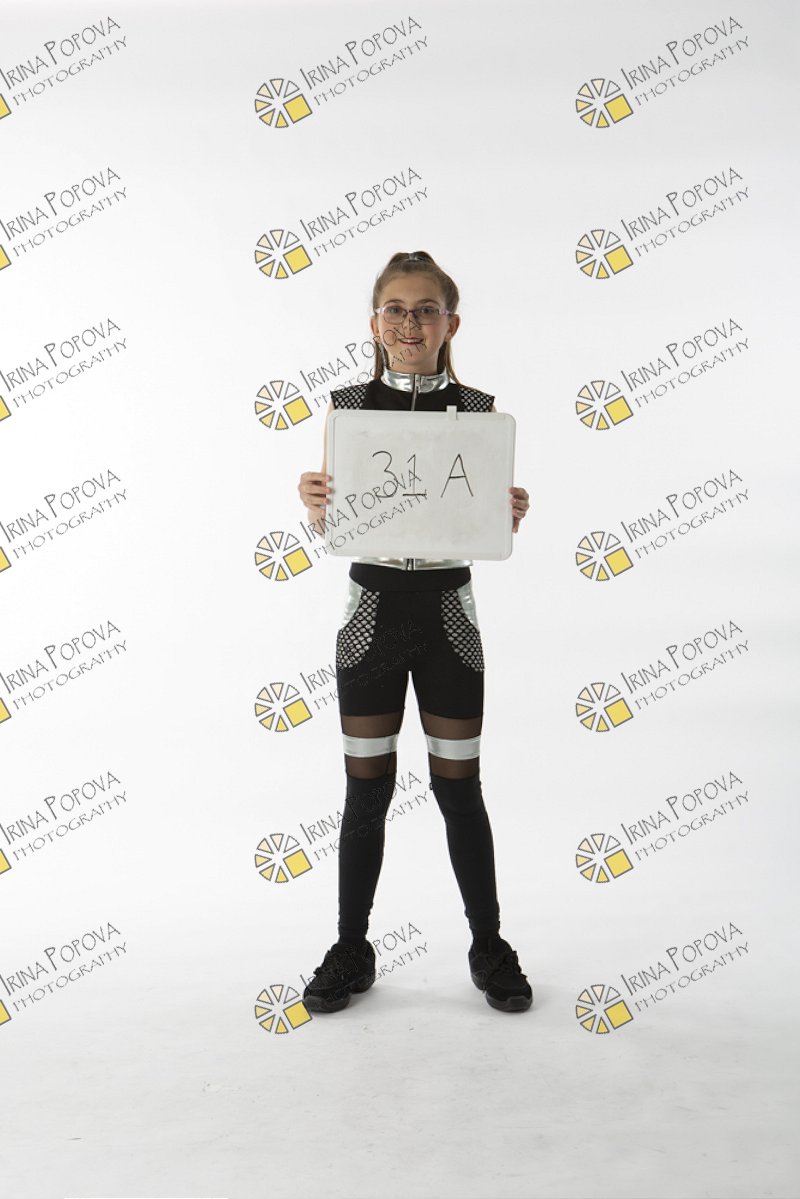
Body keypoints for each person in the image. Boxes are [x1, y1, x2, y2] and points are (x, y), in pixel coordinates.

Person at [297, 250, 532, 1013]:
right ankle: (351, 946)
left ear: (450, 323)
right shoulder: (348, 408)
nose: (410, 323)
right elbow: (339, 521)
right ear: (375, 323)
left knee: (459, 786)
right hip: (370, 613)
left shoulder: (479, 411)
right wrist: (315, 502)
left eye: (426, 309)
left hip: (447, 616)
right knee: (365, 789)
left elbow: (483, 522)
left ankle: (488, 943)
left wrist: (507, 513)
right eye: (395, 309)